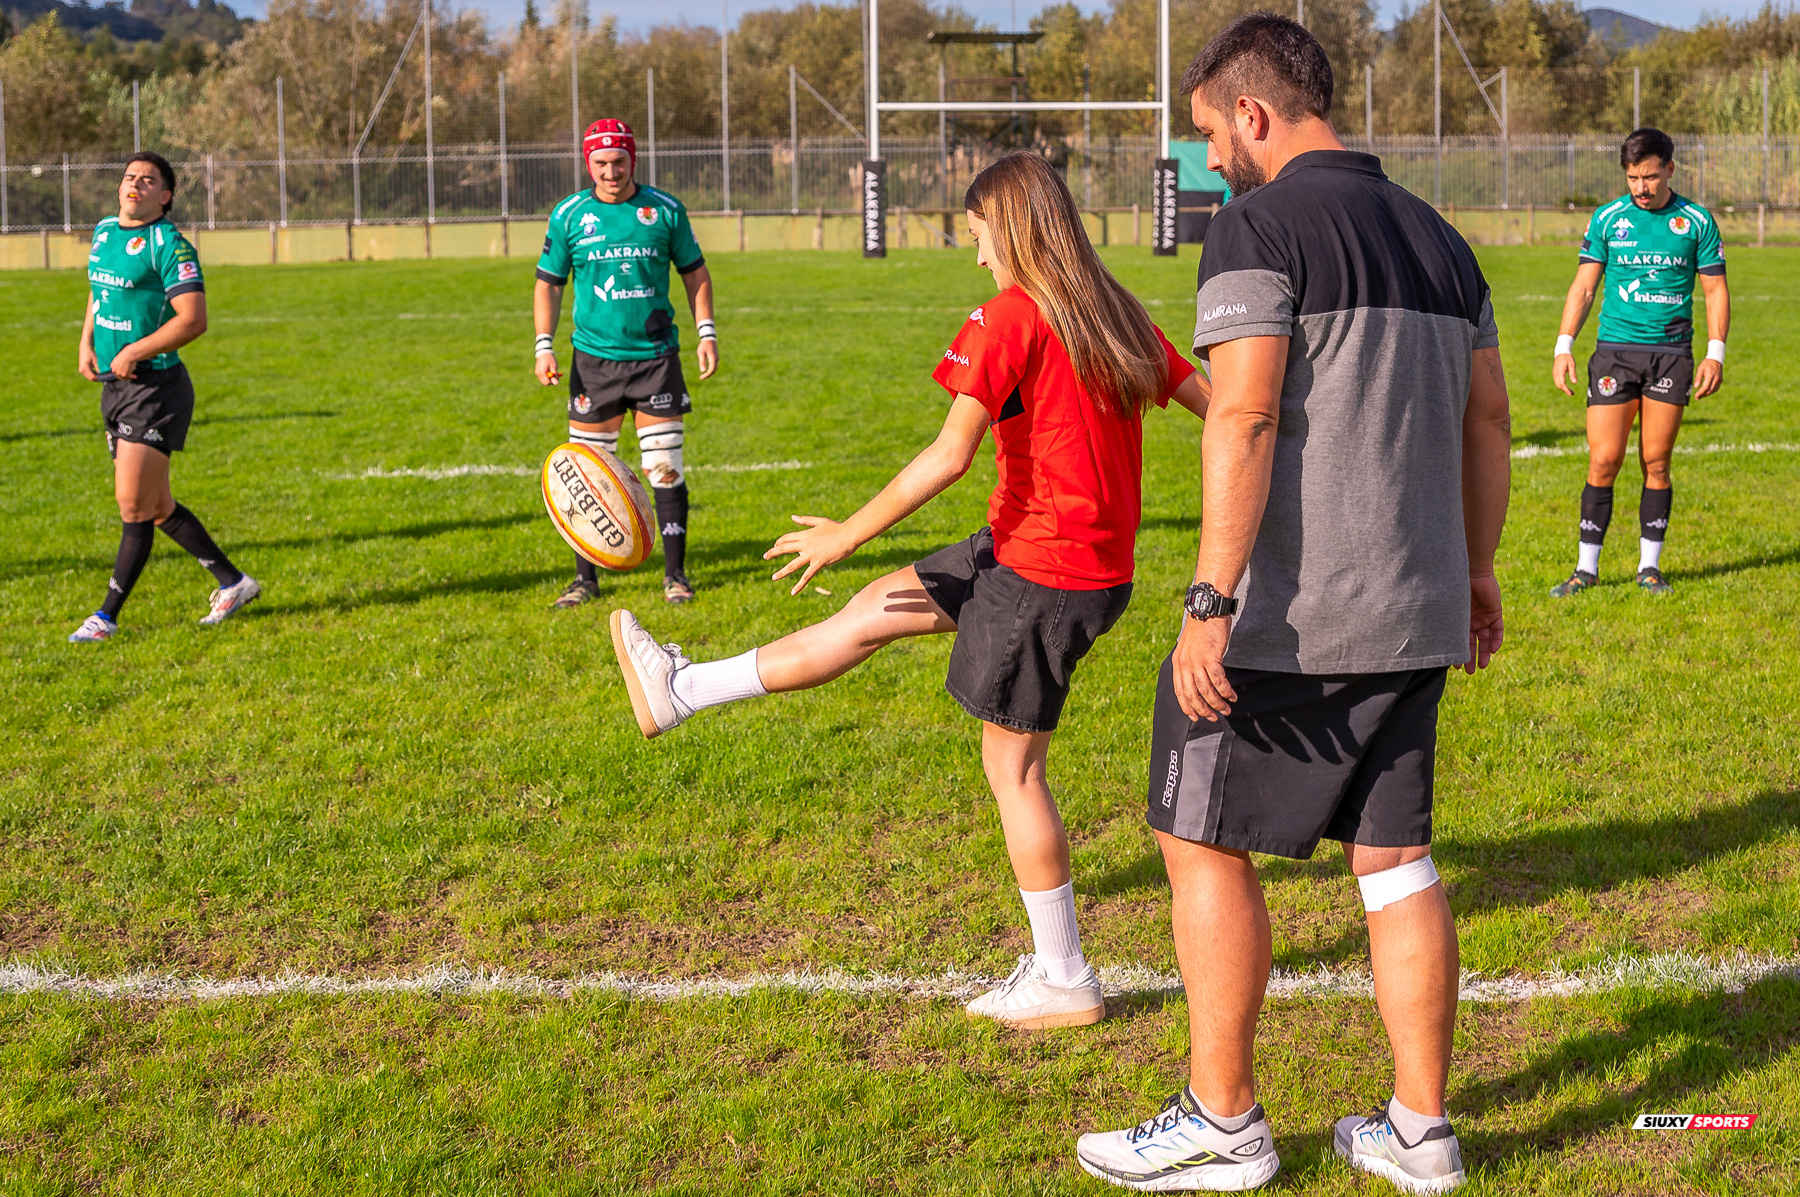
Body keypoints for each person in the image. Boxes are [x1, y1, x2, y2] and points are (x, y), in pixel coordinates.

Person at [609, 152, 1210, 1029]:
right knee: (872, 610)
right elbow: (1222, 405)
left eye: (979, 238)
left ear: (1013, 230)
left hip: (1045, 573)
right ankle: (682, 690)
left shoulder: (1013, 315)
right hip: (1054, 558)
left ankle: (1064, 975)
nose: (977, 259)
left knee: (1014, 772)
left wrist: (843, 533)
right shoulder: (1114, 308)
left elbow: (948, 454)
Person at [1075, 16, 1510, 1193]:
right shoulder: (1441, 238)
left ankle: (1225, 1124)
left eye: (1212, 132)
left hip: (1295, 619)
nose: (1212, 158)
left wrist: (1210, 595)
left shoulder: (1258, 226)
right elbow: (1489, 421)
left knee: (1196, 837)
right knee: (1398, 862)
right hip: (1421, 602)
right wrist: (1476, 570)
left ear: (1254, 114)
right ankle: (1423, 1135)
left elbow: (1245, 412)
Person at [68, 151, 260, 643]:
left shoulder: (169, 246)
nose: (135, 185)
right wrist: (86, 340)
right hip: (115, 387)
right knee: (156, 506)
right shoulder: (105, 231)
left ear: (165, 196)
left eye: (148, 181)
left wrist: (136, 348)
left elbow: (192, 319)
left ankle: (105, 617)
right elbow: (99, 290)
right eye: (130, 177)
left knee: (132, 506)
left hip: (156, 391)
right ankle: (235, 583)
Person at [534, 118, 717, 607]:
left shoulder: (664, 211)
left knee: (664, 468)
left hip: (656, 359)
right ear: (587, 163)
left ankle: (675, 576)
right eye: (601, 163)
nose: (611, 172)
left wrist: (706, 332)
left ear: (632, 159)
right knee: (586, 473)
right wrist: (543, 345)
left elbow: (695, 273)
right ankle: (585, 580)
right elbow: (548, 283)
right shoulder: (569, 215)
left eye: (619, 162)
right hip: (593, 362)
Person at [1549, 127, 1728, 598]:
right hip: (1614, 351)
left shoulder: (1697, 221)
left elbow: (1714, 290)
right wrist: (1564, 344)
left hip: (1671, 355)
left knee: (1656, 460)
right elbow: (1585, 286)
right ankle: (1585, 569)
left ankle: (1649, 567)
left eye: (1649, 177)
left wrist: (1716, 353)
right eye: (1632, 178)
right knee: (1604, 459)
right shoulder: (1608, 219)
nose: (1641, 188)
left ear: (1670, 169)